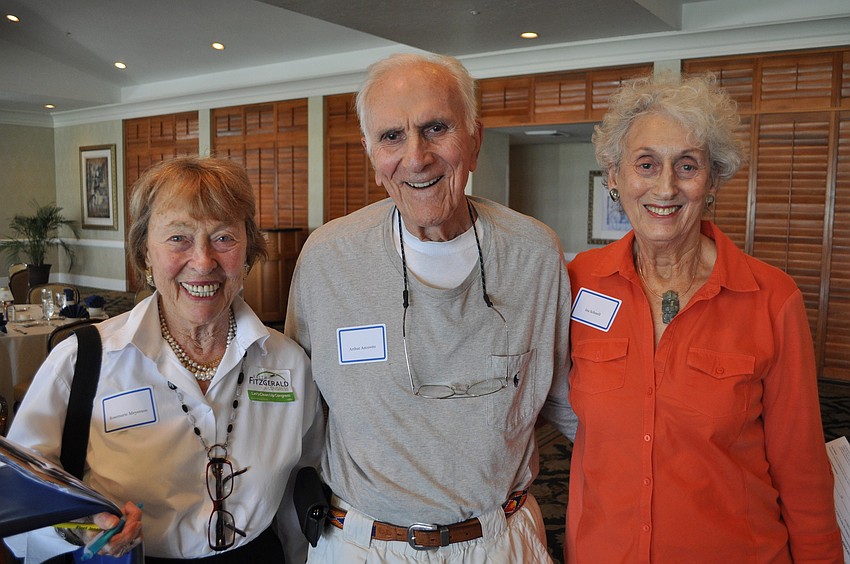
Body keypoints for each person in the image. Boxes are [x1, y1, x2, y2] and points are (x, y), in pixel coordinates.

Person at [284, 53, 576, 562]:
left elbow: (568, 403)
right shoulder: (328, 259)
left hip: (500, 542)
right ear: (371, 154)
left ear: (475, 140)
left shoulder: (534, 253)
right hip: (365, 546)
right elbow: (297, 405)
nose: (416, 158)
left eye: (436, 128)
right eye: (391, 136)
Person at [566, 73, 842, 561]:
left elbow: (801, 466)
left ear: (713, 179)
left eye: (687, 166)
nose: (665, 187)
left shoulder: (771, 298)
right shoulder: (577, 282)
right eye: (646, 164)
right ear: (613, 176)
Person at [6, 157, 323, 562]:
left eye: (223, 237)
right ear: (145, 254)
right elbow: (23, 498)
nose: (203, 261)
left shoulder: (289, 364)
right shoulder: (82, 363)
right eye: (178, 238)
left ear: (247, 250)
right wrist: (83, 529)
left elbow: (303, 489)